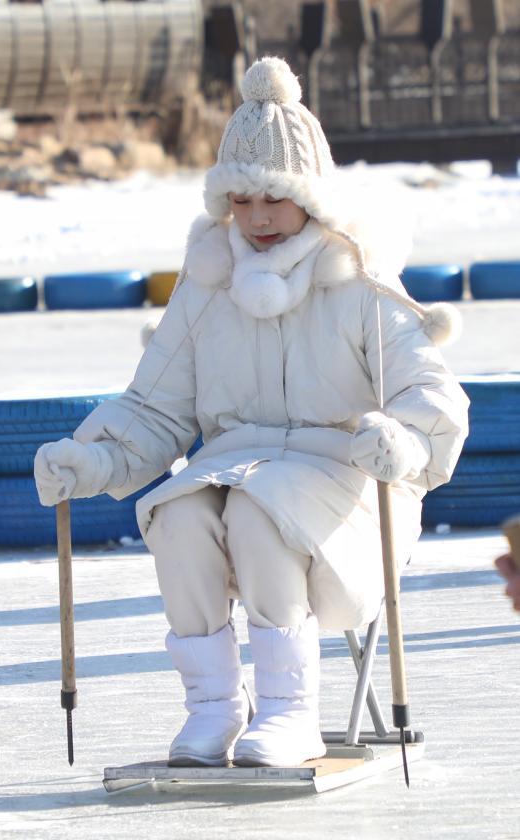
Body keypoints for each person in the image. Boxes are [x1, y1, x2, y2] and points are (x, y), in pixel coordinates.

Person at [34, 57, 469, 768]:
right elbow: (155, 405)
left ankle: (288, 711)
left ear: (312, 198)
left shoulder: (358, 282)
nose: (258, 218)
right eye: (240, 200)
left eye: (274, 197)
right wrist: (97, 458)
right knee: (175, 511)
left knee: (254, 511)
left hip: (348, 485)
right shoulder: (208, 285)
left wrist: (407, 441)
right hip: (233, 468)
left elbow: (431, 392)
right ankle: (213, 708)